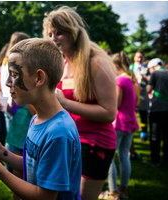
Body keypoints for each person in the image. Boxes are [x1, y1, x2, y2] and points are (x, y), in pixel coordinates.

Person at [0, 38, 82, 200]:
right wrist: (1, 152)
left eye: (14, 74)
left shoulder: (59, 134)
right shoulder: (37, 119)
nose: (8, 83)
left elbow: (44, 197)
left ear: (39, 78)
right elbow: (33, 164)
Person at [43, 6, 117, 200]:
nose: (53, 39)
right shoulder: (63, 63)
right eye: (50, 34)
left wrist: (66, 103)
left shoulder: (96, 63)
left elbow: (110, 113)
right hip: (68, 141)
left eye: (59, 33)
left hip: (95, 143)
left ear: (74, 33)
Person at [102, 51, 139, 199]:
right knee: (124, 156)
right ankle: (123, 188)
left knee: (109, 157)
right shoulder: (131, 79)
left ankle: (113, 191)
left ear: (115, 65)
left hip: (119, 123)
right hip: (130, 122)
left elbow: (114, 104)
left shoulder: (119, 80)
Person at [5, 101, 36, 200]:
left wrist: (25, 100)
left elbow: (36, 115)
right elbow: (14, 111)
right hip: (15, 133)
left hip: (27, 136)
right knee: (16, 175)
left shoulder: (30, 96)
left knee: (27, 176)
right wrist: (8, 109)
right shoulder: (19, 93)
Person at [146, 58, 168, 168]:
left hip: (157, 110)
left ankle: (155, 160)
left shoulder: (155, 73)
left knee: (155, 135)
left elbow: (148, 89)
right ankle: (167, 160)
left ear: (153, 67)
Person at [130, 51, 149, 144]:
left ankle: (144, 134)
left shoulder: (147, 67)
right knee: (133, 114)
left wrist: (144, 78)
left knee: (143, 115)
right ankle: (131, 134)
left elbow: (150, 80)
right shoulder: (131, 67)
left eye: (141, 57)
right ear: (134, 58)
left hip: (144, 93)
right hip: (133, 93)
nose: (139, 59)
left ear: (144, 58)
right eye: (138, 57)